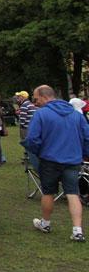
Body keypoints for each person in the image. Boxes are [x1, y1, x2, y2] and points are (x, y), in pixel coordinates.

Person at [25, 85, 89, 242]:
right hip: (73, 159)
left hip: (49, 159)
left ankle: (45, 223)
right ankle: (77, 230)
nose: (35, 101)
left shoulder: (41, 115)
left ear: (44, 96)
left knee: (48, 192)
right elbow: (87, 136)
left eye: (36, 98)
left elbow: (32, 139)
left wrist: (37, 152)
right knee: (73, 193)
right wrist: (84, 154)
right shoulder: (76, 115)